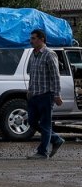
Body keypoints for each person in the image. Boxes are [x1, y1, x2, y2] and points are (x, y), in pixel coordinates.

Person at [26, 28, 65, 159]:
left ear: (41, 39)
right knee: (31, 121)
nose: (31, 41)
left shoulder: (49, 54)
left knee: (45, 123)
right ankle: (56, 139)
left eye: (33, 38)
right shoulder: (33, 54)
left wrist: (57, 94)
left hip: (46, 95)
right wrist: (30, 90)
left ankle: (43, 152)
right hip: (34, 95)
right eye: (31, 38)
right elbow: (32, 74)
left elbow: (55, 76)